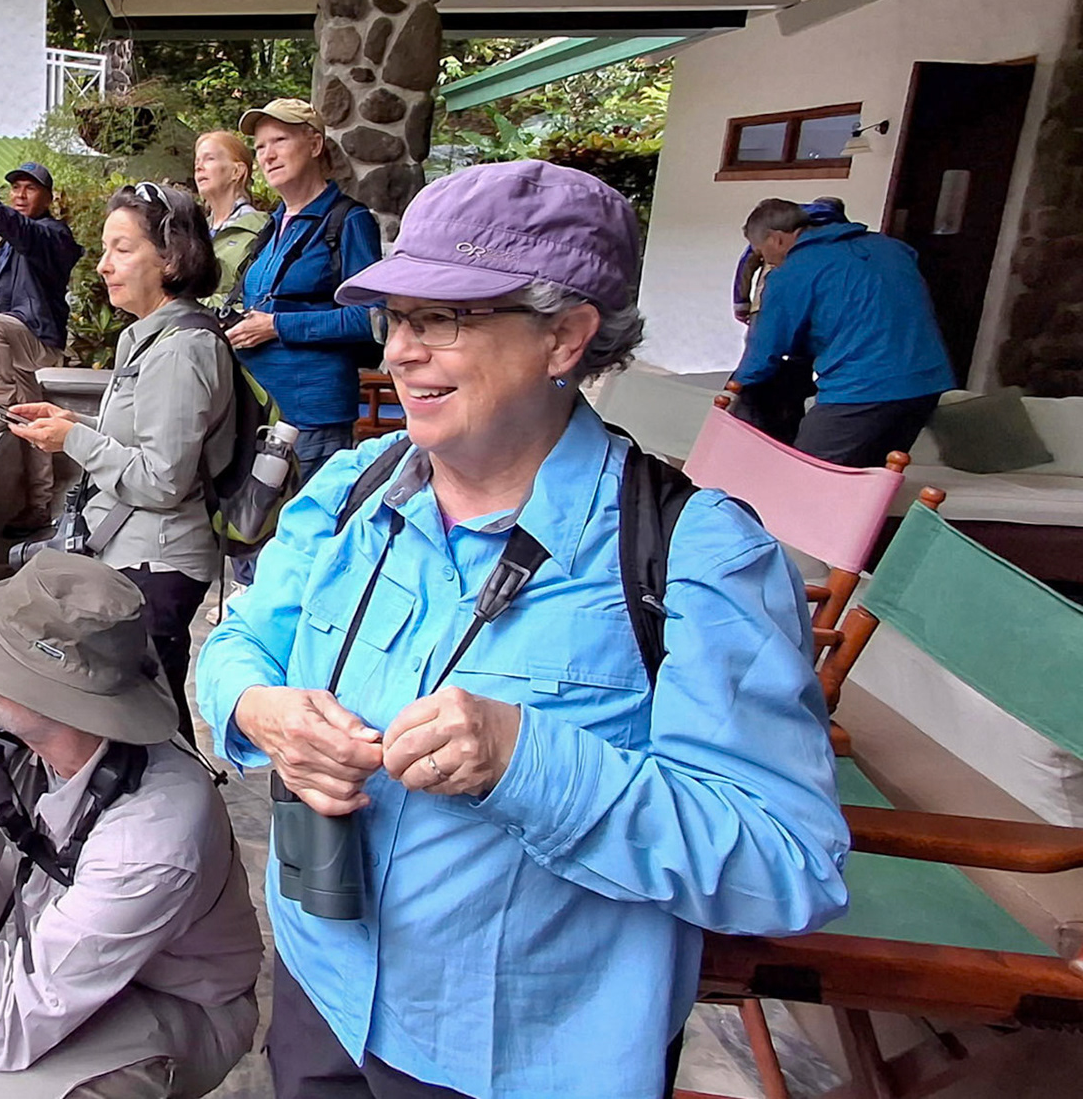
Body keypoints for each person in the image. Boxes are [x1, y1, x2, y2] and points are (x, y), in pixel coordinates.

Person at [196, 159, 850, 1099]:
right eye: (397, 318)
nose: (402, 353)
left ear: (566, 337)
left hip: (519, 1053)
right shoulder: (353, 490)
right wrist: (261, 709)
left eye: (445, 319)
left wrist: (529, 764)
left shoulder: (693, 554)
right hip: (320, 990)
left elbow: (786, 866)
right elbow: (237, 644)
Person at [0, 552, 264, 1099]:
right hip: (59, 928)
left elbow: (8, 1030)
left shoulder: (151, 840)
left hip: (173, 995)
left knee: (23, 1085)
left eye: (0, 668)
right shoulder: (51, 740)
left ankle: (91, 1054)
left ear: (57, 701)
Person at [5, 184, 233, 744]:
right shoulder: (150, 337)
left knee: (152, 733)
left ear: (172, 258)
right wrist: (71, 424)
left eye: (122, 249)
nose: (104, 265)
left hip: (157, 567)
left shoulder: (181, 349)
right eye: (105, 249)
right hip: (133, 555)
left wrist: (72, 443)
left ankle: (182, 823)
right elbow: (144, 442)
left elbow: (161, 480)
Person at [224, 99, 383, 486]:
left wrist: (278, 326)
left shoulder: (350, 220)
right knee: (254, 538)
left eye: (279, 140)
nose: (268, 155)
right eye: (260, 147)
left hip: (313, 419)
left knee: (302, 538)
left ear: (314, 145)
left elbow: (373, 318)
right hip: (257, 416)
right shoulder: (270, 226)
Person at [732, 196, 955, 466]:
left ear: (777, 239)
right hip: (928, 382)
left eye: (761, 252)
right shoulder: (893, 248)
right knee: (870, 477)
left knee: (805, 474)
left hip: (864, 389)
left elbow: (765, 351)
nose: (768, 261)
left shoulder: (793, 271)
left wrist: (734, 390)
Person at [0, 162, 83, 533]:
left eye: (30, 189)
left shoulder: (55, 236)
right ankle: (40, 506)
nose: (21, 195)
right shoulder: (8, 247)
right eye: (16, 189)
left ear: (48, 196)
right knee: (33, 421)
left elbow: (24, 231)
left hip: (40, 338)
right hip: (21, 339)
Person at [728, 197, 846, 444]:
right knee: (795, 365)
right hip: (819, 316)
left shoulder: (783, 255)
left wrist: (741, 301)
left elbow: (747, 263)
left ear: (776, 239)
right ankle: (790, 409)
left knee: (760, 358)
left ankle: (755, 426)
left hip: (771, 302)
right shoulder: (838, 236)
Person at [192, 130, 269, 307]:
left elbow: (257, 300)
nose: (198, 167)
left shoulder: (261, 228)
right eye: (197, 161)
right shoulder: (195, 229)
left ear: (237, 171)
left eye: (209, 159)